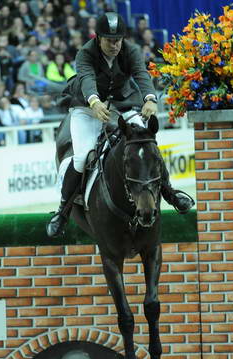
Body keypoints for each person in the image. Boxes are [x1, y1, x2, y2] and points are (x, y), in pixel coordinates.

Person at [46, 12, 194, 237]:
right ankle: (63, 210)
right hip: (86, 108)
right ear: (99, 38)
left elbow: (141, 74)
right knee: (82, 155)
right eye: (110, 41)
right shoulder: (86, 53)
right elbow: (87, 79)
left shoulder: (130, 50)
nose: (115, 45)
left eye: (118, 40)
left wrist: (150, 99)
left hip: (120, 104)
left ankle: (170, 193)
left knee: (146, 143)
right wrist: (94, 102)